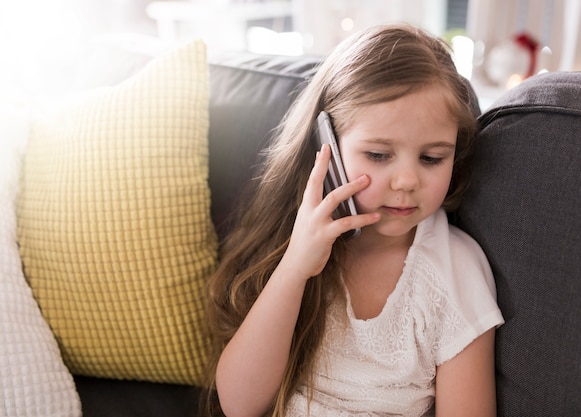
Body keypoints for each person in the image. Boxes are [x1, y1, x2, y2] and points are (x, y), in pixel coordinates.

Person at [203, 23, 504, 417]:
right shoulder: (296, 243)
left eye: (432, 158)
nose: (407, 181)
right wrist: (295, 268)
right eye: (379, 155)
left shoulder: (455, 272)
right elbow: (239, 404)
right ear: (326, 145)